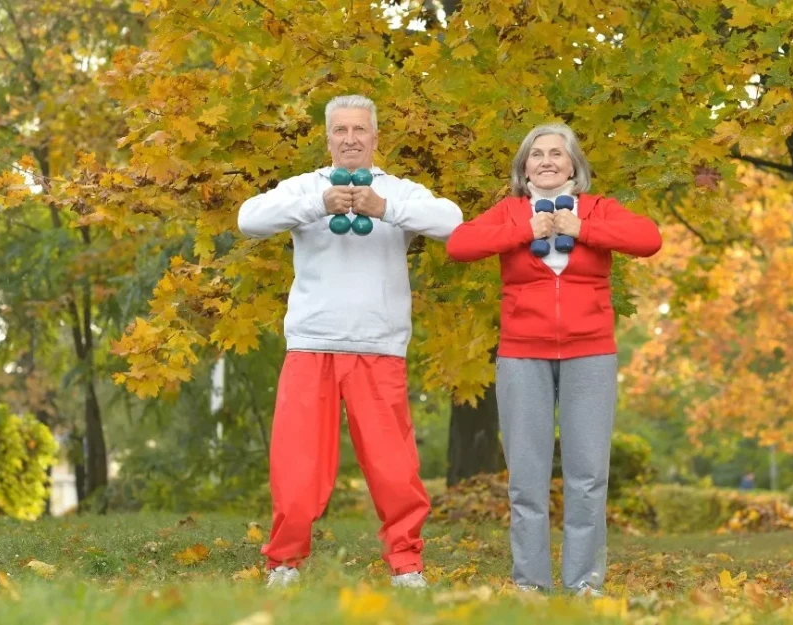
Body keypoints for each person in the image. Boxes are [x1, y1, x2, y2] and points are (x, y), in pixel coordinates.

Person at [237, 94, 463, 590]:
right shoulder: (306, 188)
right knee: (297, 468)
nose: (350, 139)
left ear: (376, 138)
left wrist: (386, 208)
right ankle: (284, 564)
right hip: (311, 344)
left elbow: (453, 222)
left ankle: (406, 564)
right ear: (328, 138)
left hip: (378, 346)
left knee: (393, 469)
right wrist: (317, 204)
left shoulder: (399, 191)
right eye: (341, 130)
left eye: (360, 130)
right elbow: (248, 219)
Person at [446, 123, 662, 596]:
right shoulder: (509, 212)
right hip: (523, 354)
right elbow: (460, 244)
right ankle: (531, 585)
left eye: (556, 154)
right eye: (536, 154)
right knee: (526, 478)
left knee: (587, 476)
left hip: (591, 352)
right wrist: (524, 231)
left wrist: (580, 228)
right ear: (524, 168)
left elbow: (649, 239)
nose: (546, 161)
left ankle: (584, 583)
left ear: (574, 166)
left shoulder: (598, 208)